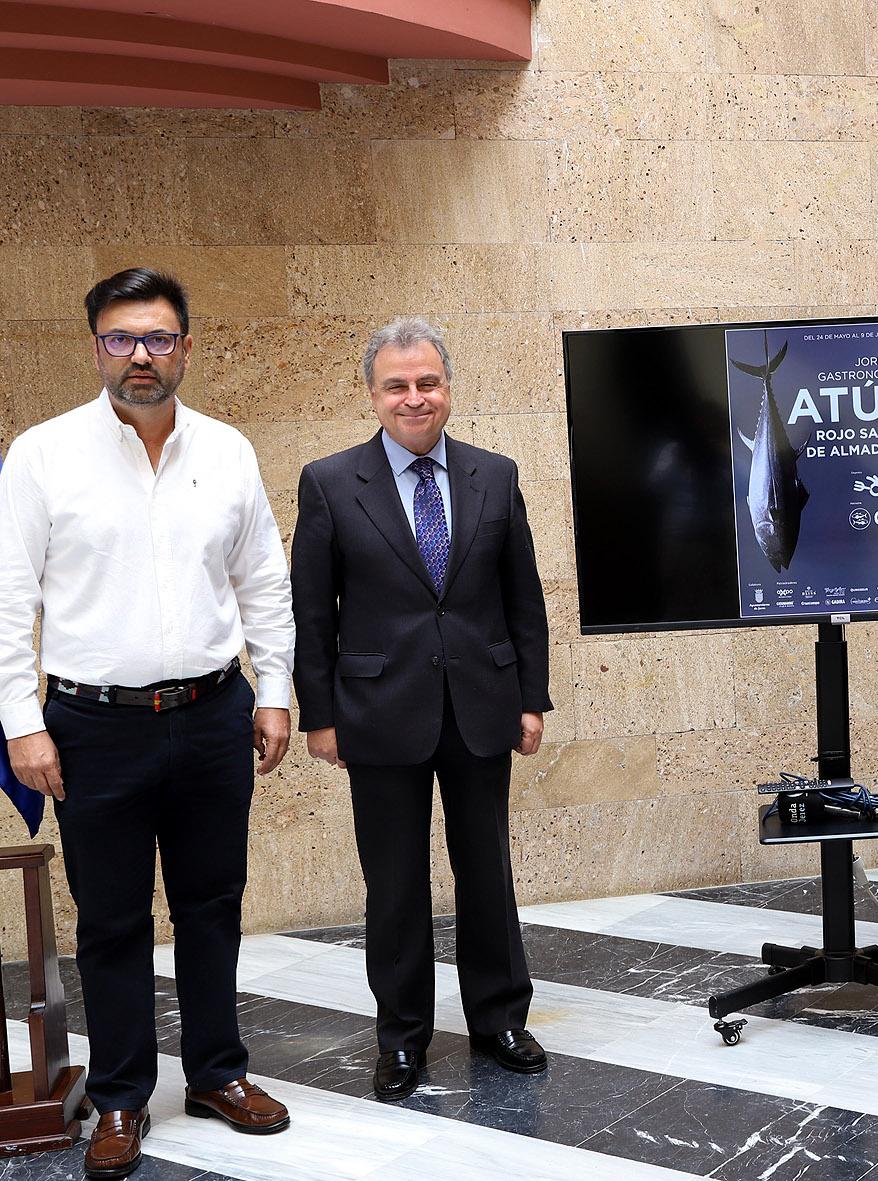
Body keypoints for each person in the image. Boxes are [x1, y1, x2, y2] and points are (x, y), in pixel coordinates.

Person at [0, 268, 294, 1179]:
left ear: (185, 347)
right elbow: (8, 603)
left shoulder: (230, 451)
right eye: (121, 339)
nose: (139, 356)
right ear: (95, 347)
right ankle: (122, 1096)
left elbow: (263, 584)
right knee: (113, 919)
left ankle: (217, 1072)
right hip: (92, 728)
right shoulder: (41, 456)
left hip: (213, 716)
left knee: (214, 905)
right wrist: (20, 722)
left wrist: (275, 687)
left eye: (157, 338)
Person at [291, 317, 553, 1101]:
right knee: (395, 884)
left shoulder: (494, 475)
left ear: (448, 386)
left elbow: (524, 601)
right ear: (373, 394)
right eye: (398, 385)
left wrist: (531, 698)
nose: (415, 397)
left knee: (487, 872)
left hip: (482, 706)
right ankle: (401, 1037)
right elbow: (313, 613)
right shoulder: (331, 481)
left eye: (428, 382)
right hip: (377, 712)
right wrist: (320, 714)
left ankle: (500, 1017)